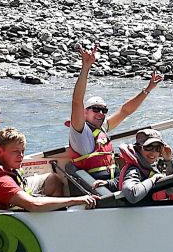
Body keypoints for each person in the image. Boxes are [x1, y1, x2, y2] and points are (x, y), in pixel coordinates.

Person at [66, 44, 163, 183]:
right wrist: (86, 68)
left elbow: (125, 111)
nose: (100, 113)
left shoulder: (101, 128)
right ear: (84, 112)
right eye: (95, 109)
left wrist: (148, 89)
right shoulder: (80, 132)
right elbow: (76, 101)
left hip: (110, 184)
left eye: (104, 110)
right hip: (93, 189)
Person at [0, 128, 97, 212]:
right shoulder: (2, 182)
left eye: (23, 151)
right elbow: (33, 204)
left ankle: (56, 209)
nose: (21, 156)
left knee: (54, 179)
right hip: (17, 208)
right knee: (51, 195)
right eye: (15, 152)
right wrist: (77, 200)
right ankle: (56, 217)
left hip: (15, 190)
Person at [115, 129, 171, 204]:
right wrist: (153, 179)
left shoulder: (154, 167)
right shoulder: (134, 170)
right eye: (148, 147)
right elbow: (132, 194)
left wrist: (168, 160)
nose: (153, 152)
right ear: (138, 149)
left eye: (158, 148)